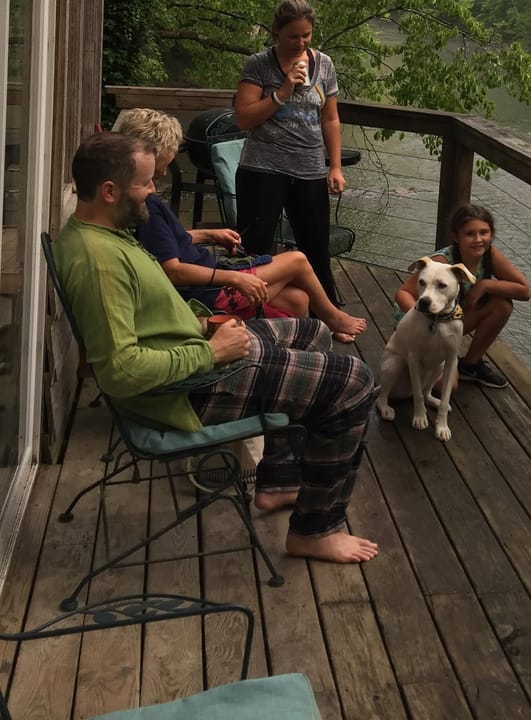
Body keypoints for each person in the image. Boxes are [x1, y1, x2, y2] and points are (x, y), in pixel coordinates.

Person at [53, 132, 378, 564]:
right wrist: (212, 352)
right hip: (187, 390)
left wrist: (206, 324)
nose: (154, 191)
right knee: (354, 382)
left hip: (196, 349)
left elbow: (148, 319)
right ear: (109, 192)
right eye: (146, 184)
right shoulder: (99, 262)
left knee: (310, 332)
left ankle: (279, 480)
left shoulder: (105, 234)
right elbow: (120, 371)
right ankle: (315, 529)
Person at [112, 108, 365, 343]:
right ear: (148, 153)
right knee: (297, 260)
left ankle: (280, 351)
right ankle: (332, 318)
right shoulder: (147, 207)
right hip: (210, 293)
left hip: (209, 281)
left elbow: (165, 245)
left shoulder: (140, 201)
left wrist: (209, 234)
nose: (168, 166)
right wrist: (233, 278)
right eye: (169, 155)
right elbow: (173, 271)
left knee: (297, 299)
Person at [234, 0, 346, 304]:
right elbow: (243, 118)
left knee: (315, 246)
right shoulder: (258, 65)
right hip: (262, 168)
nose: (300, 43)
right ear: (277, 32)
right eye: (293, 36)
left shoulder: (324, 64)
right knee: (255, 247)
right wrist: (283, 90)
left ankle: (327, 311)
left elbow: (330, 119)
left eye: (306, 36)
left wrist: (334, 165)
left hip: (309, 168)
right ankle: (248, 311)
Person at [394, 202, 531, 389]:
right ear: (455, 237)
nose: (478, 239)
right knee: (447, 386)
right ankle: (416, 362)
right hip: (420, 326)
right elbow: (403, 293)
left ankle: (470, 365)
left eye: (484, 232)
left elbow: (524, 291)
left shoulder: (489, 255)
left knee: (502, 304)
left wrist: (485, 284)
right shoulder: (442, 262)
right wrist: (422, 317)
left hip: (450, 319)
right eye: (469, 234)